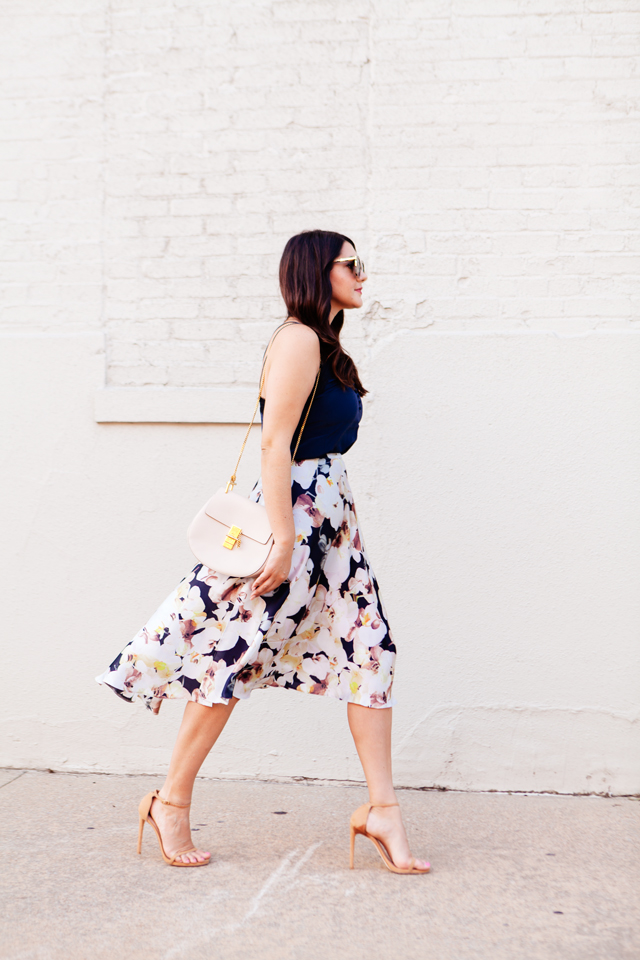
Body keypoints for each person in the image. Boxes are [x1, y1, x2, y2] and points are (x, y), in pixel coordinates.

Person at [96, 229, 430, 875]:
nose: (364, 275)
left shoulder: (325, 343)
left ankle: (383, 811)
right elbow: (275, 446)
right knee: (233, 651)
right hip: (296, 517)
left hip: (332, 525)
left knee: (370, 650)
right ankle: (170, 801)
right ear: (316, 270)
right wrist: (282, 539)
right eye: (351, 264)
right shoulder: (298, 338)